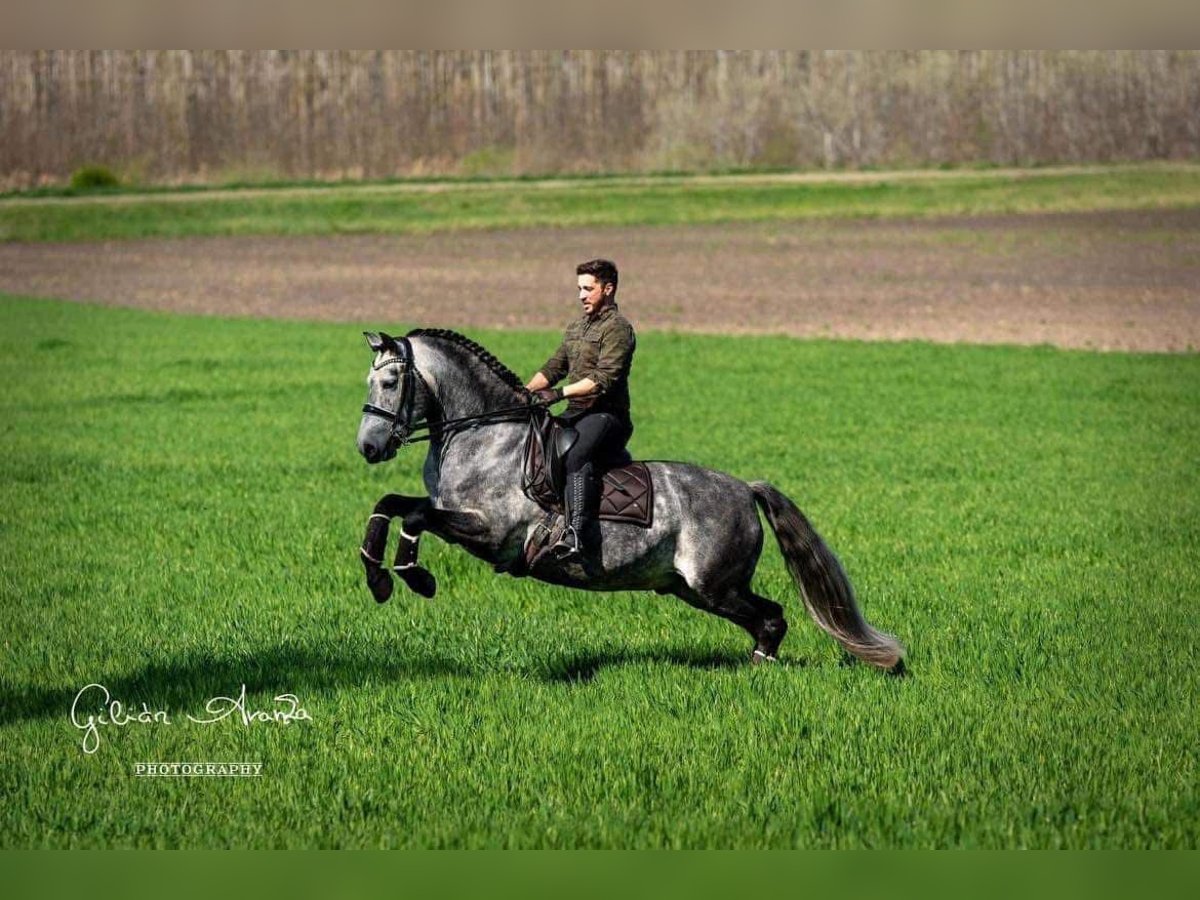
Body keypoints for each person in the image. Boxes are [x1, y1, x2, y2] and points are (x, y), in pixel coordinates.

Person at [526, 258, 637, 559]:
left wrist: (559, 393)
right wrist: (524, 392)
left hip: (607, 416)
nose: (581, 295)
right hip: (576, 413)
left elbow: (603, 379)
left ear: (608, 288)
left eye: (588, 289)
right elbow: (554, 366)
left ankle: (577, 533)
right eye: (579, 289)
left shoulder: (618, 330)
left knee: (575, 453)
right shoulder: (577, 327)